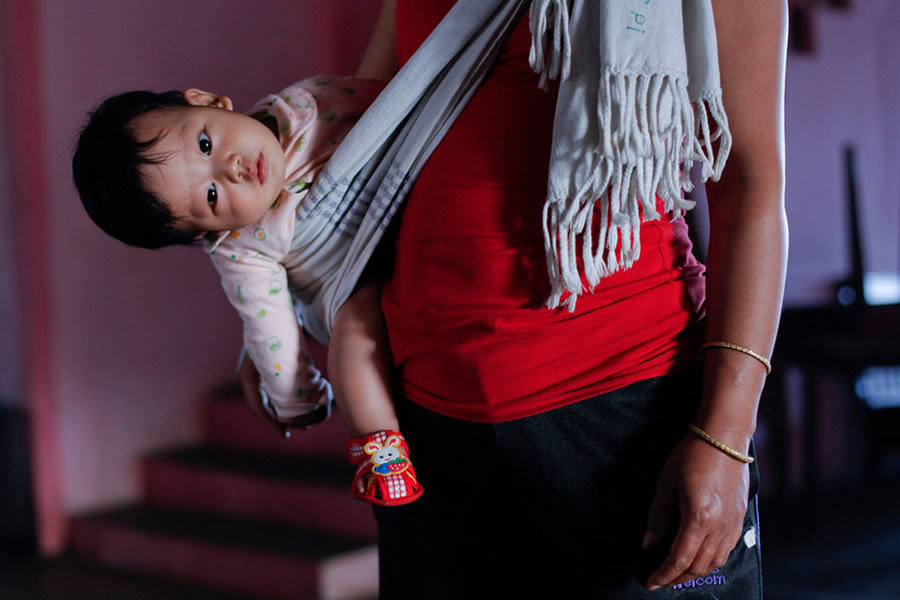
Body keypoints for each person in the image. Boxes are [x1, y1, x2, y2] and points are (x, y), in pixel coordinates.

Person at [244, 1, 786, 597]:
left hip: (622, 404)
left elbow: (750, 183)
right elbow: (359, 145)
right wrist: (276, 310)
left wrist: (725, 436)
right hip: (426, 420)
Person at [71, 76, 424, 507]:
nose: (231, 168)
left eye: (205, 145)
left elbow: (385, 96)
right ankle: (383, 452)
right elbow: (268, 324)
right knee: (354, 334)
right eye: (212, 195)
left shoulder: (305, 103)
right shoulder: (241, 246)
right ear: (206, 231)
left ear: (209, 101)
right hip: (349, 278)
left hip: (400, 181)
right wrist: (295, 399)